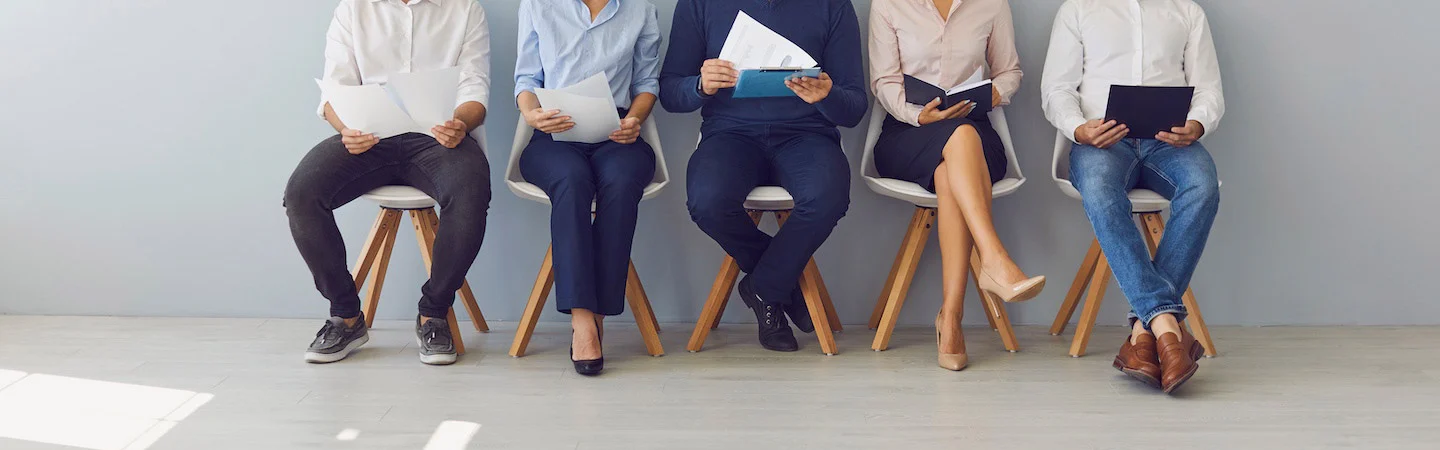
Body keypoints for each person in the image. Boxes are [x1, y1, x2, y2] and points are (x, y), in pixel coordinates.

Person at [286, 0, 491, 366]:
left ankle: (434, 314)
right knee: (302, 193)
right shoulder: (353, 8)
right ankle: (345, 315)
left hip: (438, 136)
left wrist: (460, 122)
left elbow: (475, 85)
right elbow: (333, 89)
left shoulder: (464, 7)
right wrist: (345, 129)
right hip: (368, 136)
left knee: (472, 191)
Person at [660, 0, 867, 352]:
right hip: (730, 134)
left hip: (807, 134)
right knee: (707, 200)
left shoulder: (833, 6)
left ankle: (764, 288)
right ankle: (781, 284)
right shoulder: (700, 4)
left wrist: (827, 95)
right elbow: (670, 92)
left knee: (827, 196)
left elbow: (854, 107)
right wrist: (700, 85)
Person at [1041, 0, 1223, 393]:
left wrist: (1197, 123)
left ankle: (1146, 330)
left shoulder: (1186, 11)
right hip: (1103, 143)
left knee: (1203, 187)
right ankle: (1167, 329)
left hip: (1169, 143)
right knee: (1103, 194)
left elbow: (1209, 88)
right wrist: (1079, 129)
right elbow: (1056, 88)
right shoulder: (1078, 9)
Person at [869, 0, 1045, 372]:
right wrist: (918, 114)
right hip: (908, 131)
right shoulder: (887, 4)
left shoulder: (991, 3)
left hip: (976, 132)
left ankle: (950, 317)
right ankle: (993, 259)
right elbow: (884, 81)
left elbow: (1009, 71)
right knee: (955, 147)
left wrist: (994, 94)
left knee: (952, 166)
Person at [513, 0, 661, 376]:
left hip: (617, 135)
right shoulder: (537, 5)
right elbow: (527, 80)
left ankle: (599, 314)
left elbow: (646, 83)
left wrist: (636, 119)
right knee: (572, 181)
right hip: (553, 137)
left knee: (622, 179)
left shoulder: (641, 8)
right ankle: (583, 320)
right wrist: (532, 114)